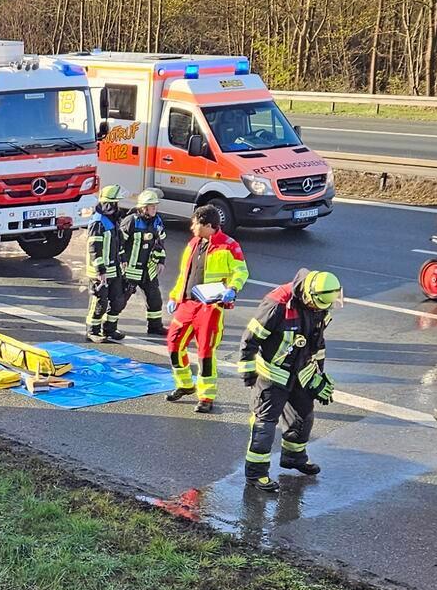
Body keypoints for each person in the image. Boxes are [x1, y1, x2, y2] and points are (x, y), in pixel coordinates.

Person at [239, 269, 343, 493]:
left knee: (303, 416)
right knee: (265, 424)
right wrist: (249, 373)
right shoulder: (277, 305)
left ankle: (293, 458)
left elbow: (318, 343)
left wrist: (318, 375)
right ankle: (256, 474)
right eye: (318, 305)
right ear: (308, 294)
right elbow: (250, 339)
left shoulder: (320, 306)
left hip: (301, 372)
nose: (320, 310)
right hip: (273, 373)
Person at [162, 203, 250, 413]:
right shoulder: (194, 243)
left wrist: (233, 288)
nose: (192, 228)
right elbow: (185, 274)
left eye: (195, 224)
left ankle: (207, 396)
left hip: (210, 307)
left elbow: (241, 272)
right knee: (174, 346)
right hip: (187, 304)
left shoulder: (229, 246)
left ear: (209, 225)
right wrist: (175, 296)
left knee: (205, 353)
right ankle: (184, 385)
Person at [119, 188, 171, 337]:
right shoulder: (131, 222)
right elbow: (119, 243)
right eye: (152, 206)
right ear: (143, 208)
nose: (155, 209)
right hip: (131, 269)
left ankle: (155, 326)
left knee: (155, 299)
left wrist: (161, 260)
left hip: (148, 269)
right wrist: (122, 261)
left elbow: (160, 242)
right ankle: (108, 326)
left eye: (156, 206)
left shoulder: (157, 221)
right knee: (120, 300)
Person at [84, 184, 127, 341]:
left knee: (117, 300)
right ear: (107, 204)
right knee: (100, 301)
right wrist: (100, 270)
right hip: (100, 271)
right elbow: (95, 247)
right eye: (114, 203)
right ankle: (92, 331)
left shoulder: (112, 220)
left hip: (114, 268)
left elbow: (118, 243)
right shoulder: (98, 222)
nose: (117, 207)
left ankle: (110, 329)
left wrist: (122, 260)